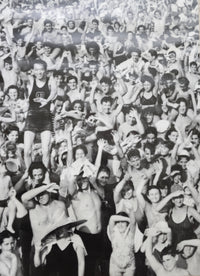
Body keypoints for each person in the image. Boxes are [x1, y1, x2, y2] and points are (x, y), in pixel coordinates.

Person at [24, 59, 56, 169]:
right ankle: (29, 175)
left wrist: (46, 101)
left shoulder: (51, 80)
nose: (39, 72)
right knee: (27, 151)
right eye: (36, 70)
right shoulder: (30, 80)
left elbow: (54, 92)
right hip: (32, 117)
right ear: (32, 71)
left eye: (41, 70)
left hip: (45, 118)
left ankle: (45, 175)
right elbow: (18, 71)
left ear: (45, 71)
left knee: (46, 150)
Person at [107, 212, 136, 276]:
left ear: (127, 224)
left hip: (129, 266)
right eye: (118, 222)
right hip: (115, 265)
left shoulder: (131, 234)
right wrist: (128, 219)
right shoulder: (113, 233)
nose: (120, 225)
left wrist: (129, 220)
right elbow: (112, 218)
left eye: (123, 222)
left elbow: (133, 221)